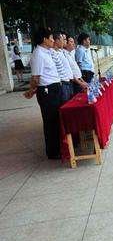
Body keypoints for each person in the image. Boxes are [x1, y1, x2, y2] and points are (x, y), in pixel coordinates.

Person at [23, 28, 62, 159]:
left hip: (54, 89)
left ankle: (58, 147)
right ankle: (53, 152)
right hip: (47, 91)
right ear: (44, 39)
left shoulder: (47, 52)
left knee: (56, 120)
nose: (53, 40)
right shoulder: (38, 54)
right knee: (50, 121)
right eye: (51, 38)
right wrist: (31, 90)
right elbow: (36, 78)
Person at [51, 32, 74, 104]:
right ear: (57, 41)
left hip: (67, 81)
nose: (64, 42)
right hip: (62, 83)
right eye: (62, 39)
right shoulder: (52, 53)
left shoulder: (61, 51)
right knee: (65, 104)